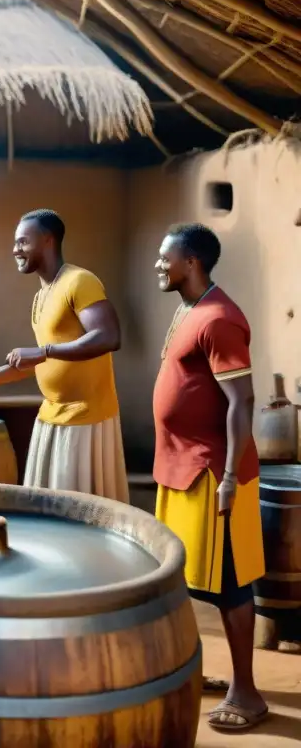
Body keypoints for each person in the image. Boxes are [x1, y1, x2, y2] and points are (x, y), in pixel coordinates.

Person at [152, 223, 267, 732]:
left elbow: (242, 402)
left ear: (192, 262)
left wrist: (226, 480)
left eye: (165, 258)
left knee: (230, 585)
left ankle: (248, 693)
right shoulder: (187, 311)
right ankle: (194, 669)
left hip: (212, 475)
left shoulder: (220, 319)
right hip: (177, 470)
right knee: (180, 579)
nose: (159, 265)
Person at [0, 209, 128, 501]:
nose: (15, 250)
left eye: (22, 242)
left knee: (78, 513)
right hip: (50, 417)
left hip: (85, 421)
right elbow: (39, 361)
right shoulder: (41, 295)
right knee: (47, 513)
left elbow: (108, 336)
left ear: (47, 241)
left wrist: (43, 351)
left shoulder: (79, 281)